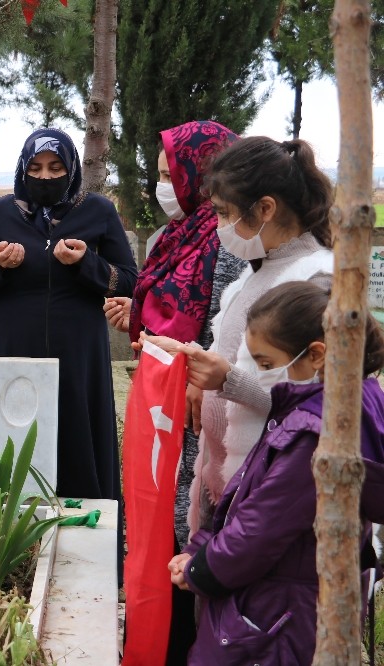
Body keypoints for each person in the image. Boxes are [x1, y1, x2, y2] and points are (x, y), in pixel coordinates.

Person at [168, 281, 384, 665]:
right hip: (295, 603)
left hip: (278, 618)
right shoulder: (347, 403)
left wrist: (202, 567)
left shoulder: (317, 435)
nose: (263, 375)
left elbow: (260, 526)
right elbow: (251, 500)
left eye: (266, 364)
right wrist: (203, 545)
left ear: (316, 354)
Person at [142, 136, 335, 539]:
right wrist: (191, 356)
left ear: (265, 208)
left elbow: (323, 405)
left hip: (272, 495)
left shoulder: (316, 282)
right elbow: (232, 354)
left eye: (224, 213)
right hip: (229, 484)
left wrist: (227, 380)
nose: (218, 227)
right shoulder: (256, 271)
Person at [104, 121, 244, 664]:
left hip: (201, 406)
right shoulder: (171, 237)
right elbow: (160, 314)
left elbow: (227, 323)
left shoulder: (228, 239)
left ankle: (188, 640)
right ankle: (154, 634)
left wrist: (196, 376)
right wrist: (132, 318)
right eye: (161, 176)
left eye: (172, 175)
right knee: (155, 521)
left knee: (191, 524)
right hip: (158, 398)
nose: (165, 186)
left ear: (204, 174)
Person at [0, 128, 137, 502]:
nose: (45, 176)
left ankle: (83, 529)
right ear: (24, 168)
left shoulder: (97, 210)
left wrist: (86, 262)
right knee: (11, 438)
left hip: (78, 354)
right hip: (13, 350)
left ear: (71, 168)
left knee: (77, 435)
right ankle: (9, 537)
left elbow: (129, 282)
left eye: (56, 167)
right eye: (36, 167)